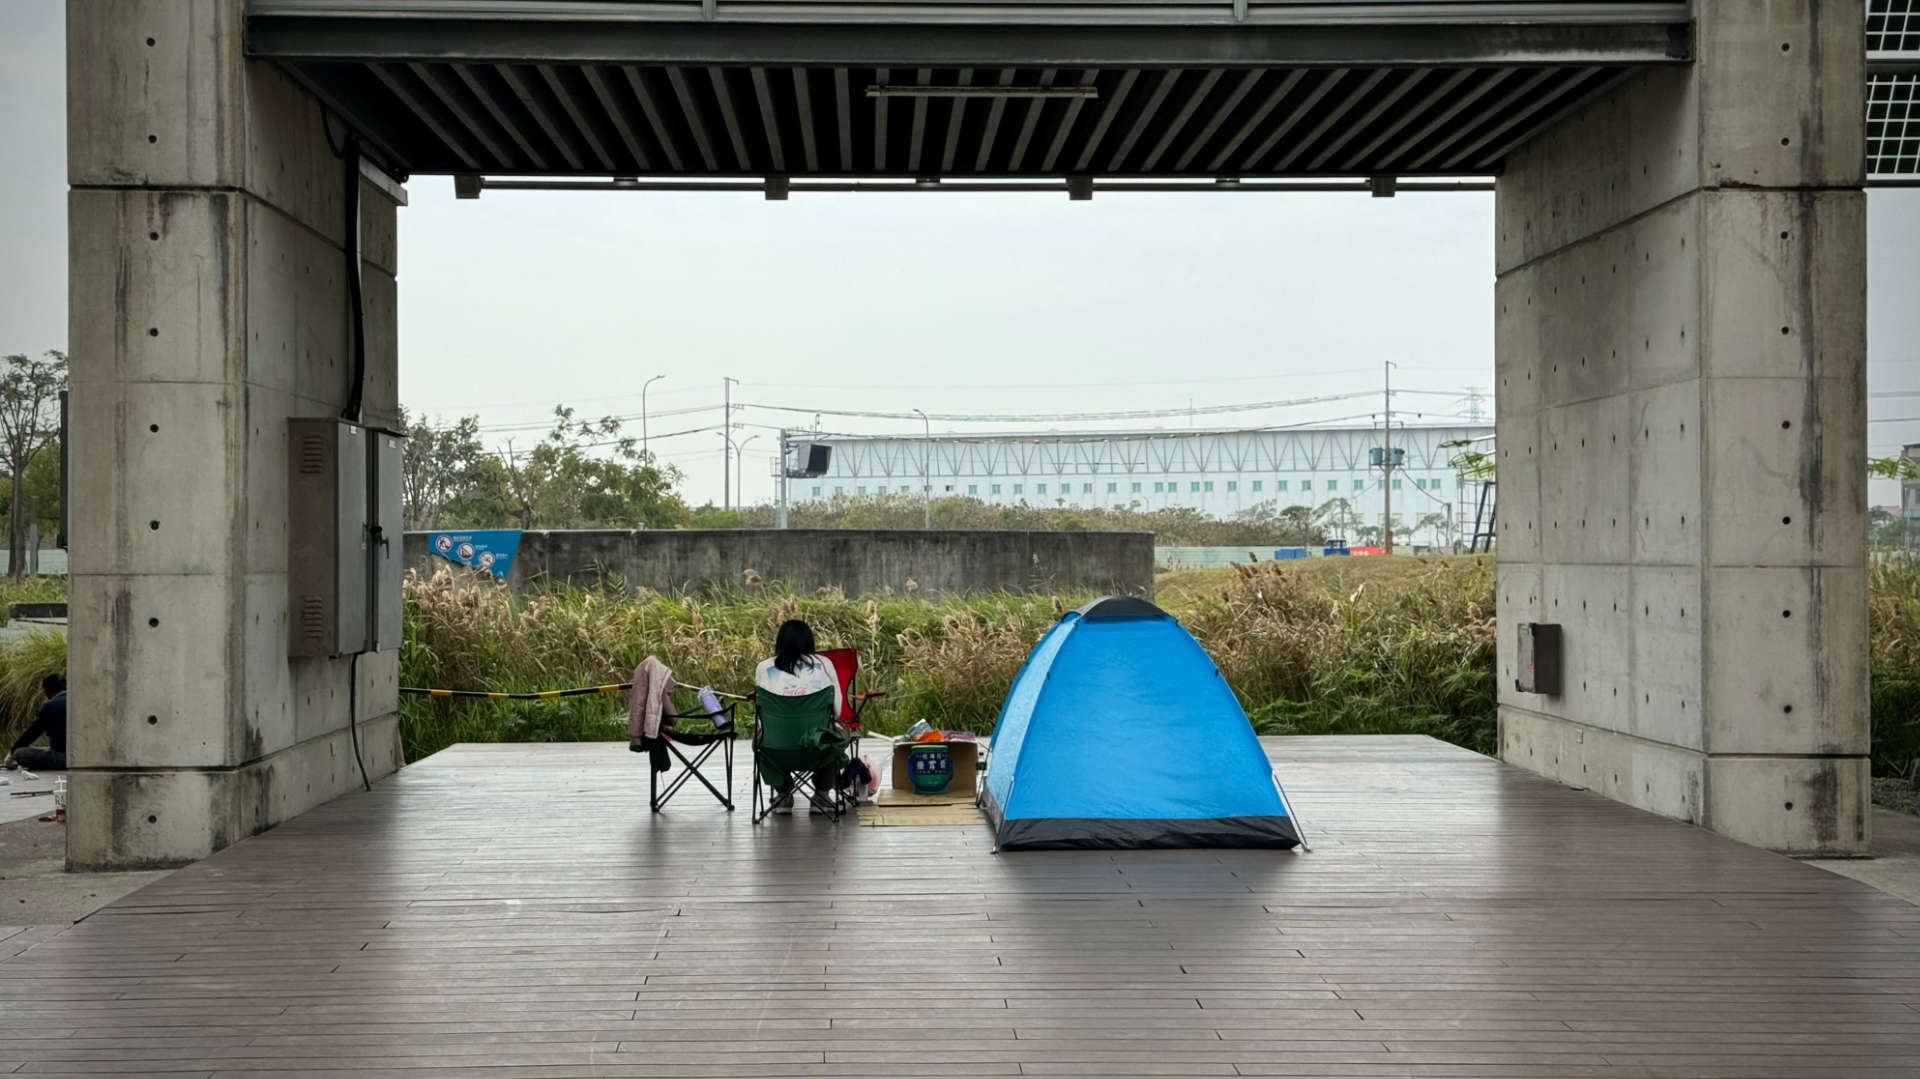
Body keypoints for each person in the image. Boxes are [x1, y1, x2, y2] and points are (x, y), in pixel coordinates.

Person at [754, 620, 845, 815]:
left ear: (779, 642)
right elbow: (837, 710)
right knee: (835, 736)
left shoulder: (763, 667)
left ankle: (783, 793)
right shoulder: (824, 664)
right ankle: (821, 793)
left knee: (761, 738)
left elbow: (760, 713)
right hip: (816, 749)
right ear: (809, 641)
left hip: (776, 748)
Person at [5, 674, 66, 772]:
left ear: (47, 691)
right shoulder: (80, 701)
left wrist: (12, 752)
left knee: (20, 753)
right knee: (44, 749)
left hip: (64, 758)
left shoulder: (50, 706)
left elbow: (32, 733)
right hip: (85, 757)